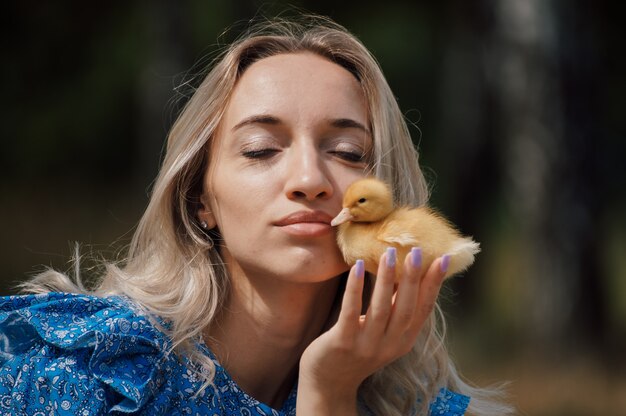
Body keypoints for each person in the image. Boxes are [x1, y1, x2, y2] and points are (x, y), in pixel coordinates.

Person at [0, 16, 513, 416]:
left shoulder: (409, 407)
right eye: (261, 149)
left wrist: (328, 391)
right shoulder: (86, 373)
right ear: (199, 199)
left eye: (348, 152)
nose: (309, 179)